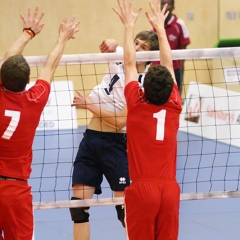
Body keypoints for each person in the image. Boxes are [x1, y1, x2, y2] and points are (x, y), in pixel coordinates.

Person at [70, 31, 159, 240]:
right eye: (136, 44)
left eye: (143, 47)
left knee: (125, 211)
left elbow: (120, 121)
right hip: (90, 140)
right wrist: (113, 42)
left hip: (116, 145)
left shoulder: (142, 84)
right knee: (78, 209)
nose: (136, 49)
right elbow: (114, 46)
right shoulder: (122, 55)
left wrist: (89, 105)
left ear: (150, 56)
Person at [0, 7, 80, 240]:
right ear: (27, 82)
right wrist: (62, 37)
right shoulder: (34, 100)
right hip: (16, 191)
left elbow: (6, 59)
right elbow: (50, 67)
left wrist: (28, 33)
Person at [113, 0, 182, 239]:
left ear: (144, 89)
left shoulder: (136, 106)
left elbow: (130, 63)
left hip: (142, 190)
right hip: (170, 190)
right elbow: (167, 64)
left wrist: (128, 26)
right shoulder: (174, 106)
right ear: (171, 89)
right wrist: (161, 30)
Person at [152, 0, 191, 96]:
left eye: (168, 4)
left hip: (175, 68)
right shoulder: (154, 25)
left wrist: (181, 67)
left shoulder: (179, 24)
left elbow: (184, 46)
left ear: (173, 7)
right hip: (157, 68)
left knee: (175, 95)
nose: (165, 6)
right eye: (162, 4)